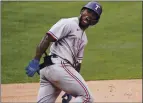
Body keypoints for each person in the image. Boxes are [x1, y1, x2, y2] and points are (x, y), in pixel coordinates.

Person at [25, 1, 102, 103]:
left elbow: (77, 64)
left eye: (93, 15)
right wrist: (36, 60)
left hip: (54, 71)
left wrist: (70, 90)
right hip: (58, 67)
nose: (89, 16)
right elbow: (48, 38)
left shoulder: (84, 39)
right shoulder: (69, 23)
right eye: (88, 12)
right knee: (87, 98)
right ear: (82, 11)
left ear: (95, 21)